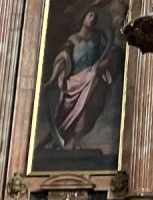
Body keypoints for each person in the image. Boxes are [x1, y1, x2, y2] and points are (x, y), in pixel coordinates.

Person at [48, 8, 116, 150]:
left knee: (86, 111)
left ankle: (76, 140)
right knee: (64, 114)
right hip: (74, 82)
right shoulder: (72, 39)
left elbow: (109, 53)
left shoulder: (99, 37)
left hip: (91, 78)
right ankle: (63, 141)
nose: (93, 18)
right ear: (83, 18)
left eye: (95, 17)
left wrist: (105, 63)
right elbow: (63, 59)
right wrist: (52, 79)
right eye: (90, 15)